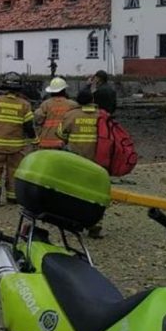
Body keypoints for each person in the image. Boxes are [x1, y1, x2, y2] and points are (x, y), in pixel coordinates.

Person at [56, 88, 103, 238]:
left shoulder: (71, 115)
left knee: (74, 192)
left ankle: (73, 222)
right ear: (92, 101)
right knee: (96, 194)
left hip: (75, 160)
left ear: (78, 101)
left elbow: (60, 134)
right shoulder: (101, 116)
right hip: (96, 162)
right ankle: (95, 224)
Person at [0, 77, 35, 206]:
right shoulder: (25, 104)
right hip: (16, 146)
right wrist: (35, 140)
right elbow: (29, 126)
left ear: (5, 88)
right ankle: (12, 196)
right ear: (18, 90)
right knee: (14, 171)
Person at [34, 77, 78, 149]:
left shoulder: (45, 104)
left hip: (46, 142)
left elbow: (38, 119)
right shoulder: (73, 105)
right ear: (64, 90)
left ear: (51, 91)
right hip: (64, 144)